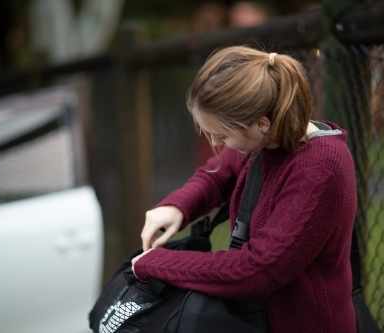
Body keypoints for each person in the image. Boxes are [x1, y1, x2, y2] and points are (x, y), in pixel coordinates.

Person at [132, 45, 357, 333]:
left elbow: (259, 270)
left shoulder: (319, 168)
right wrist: (177, 205)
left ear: (260, 123)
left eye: (222, 135)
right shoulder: (267, 138)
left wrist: (157, 262)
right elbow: (219, 173)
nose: (216, 142)